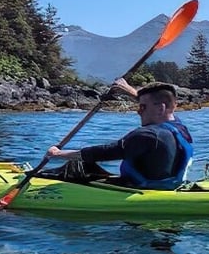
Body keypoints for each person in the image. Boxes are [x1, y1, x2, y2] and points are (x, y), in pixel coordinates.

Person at [45, 80, 194, 189]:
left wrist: (58, 154)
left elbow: (104, 152)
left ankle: (36, 180)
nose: (138, 111)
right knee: (85, 166)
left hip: (139, 188)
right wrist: (131, 91)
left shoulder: (147, 135)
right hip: (169, 185)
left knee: (76, 165)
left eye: (142, 107)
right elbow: (160, 102)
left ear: (161, 108)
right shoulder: (179, 127)